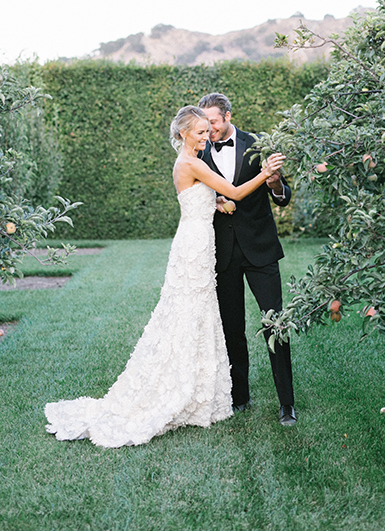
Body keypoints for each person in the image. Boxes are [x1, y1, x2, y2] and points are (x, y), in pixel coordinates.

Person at [44, 106, 285, 448]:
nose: (206, 137)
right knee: (188, 313)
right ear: (183, 134)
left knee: (196, 313)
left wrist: (213, 203)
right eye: (200, 132)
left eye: (207, 130)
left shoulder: (189, 163)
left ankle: (201, 389)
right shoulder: (191, 162)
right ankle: (183, 389)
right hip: (195, 245)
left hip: (198, 242)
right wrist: (266, 173)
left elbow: (204, 197)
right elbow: (234, 192)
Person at [198, 93, 296, 426]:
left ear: (227, 116)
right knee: (231, 329)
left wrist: (276, 182)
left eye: (212, 121)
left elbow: (282, 196)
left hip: (260, 249)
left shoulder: (257, 144)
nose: (208, 127)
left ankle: (287, 403)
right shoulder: (196, 151)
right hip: (222, 253)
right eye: (204, 122)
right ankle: (239, 396)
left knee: (275, 323)